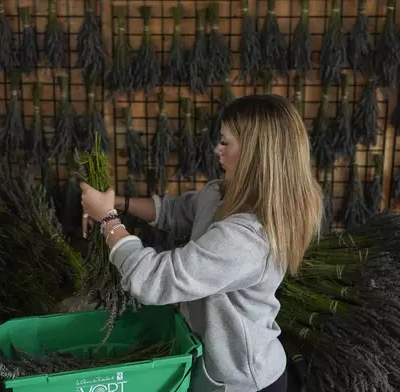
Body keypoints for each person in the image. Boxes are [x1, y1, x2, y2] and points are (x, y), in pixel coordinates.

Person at [79, 94, 323, 392]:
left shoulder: (248, 239)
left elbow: (153, 280)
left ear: (255, 154)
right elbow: (177, 211)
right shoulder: (221, 193)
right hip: (213, 369)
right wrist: (116, 202)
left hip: (242, 383)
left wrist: (108, 220)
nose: (216, 149)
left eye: (226, 142)